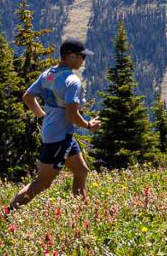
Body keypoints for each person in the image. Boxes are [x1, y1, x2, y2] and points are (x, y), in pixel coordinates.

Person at [7, 39, 101, 213]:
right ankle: (7, 213)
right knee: (42, 183)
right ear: (71, 56)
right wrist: (89, 125)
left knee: (81, 171)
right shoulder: (72, 81)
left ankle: (82, 213)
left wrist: (42, 115)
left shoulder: (48, 74)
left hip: (62, 135)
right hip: (58, 138)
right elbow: (71, 115)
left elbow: (28, 96)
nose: (83, 61)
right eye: (82, 57)